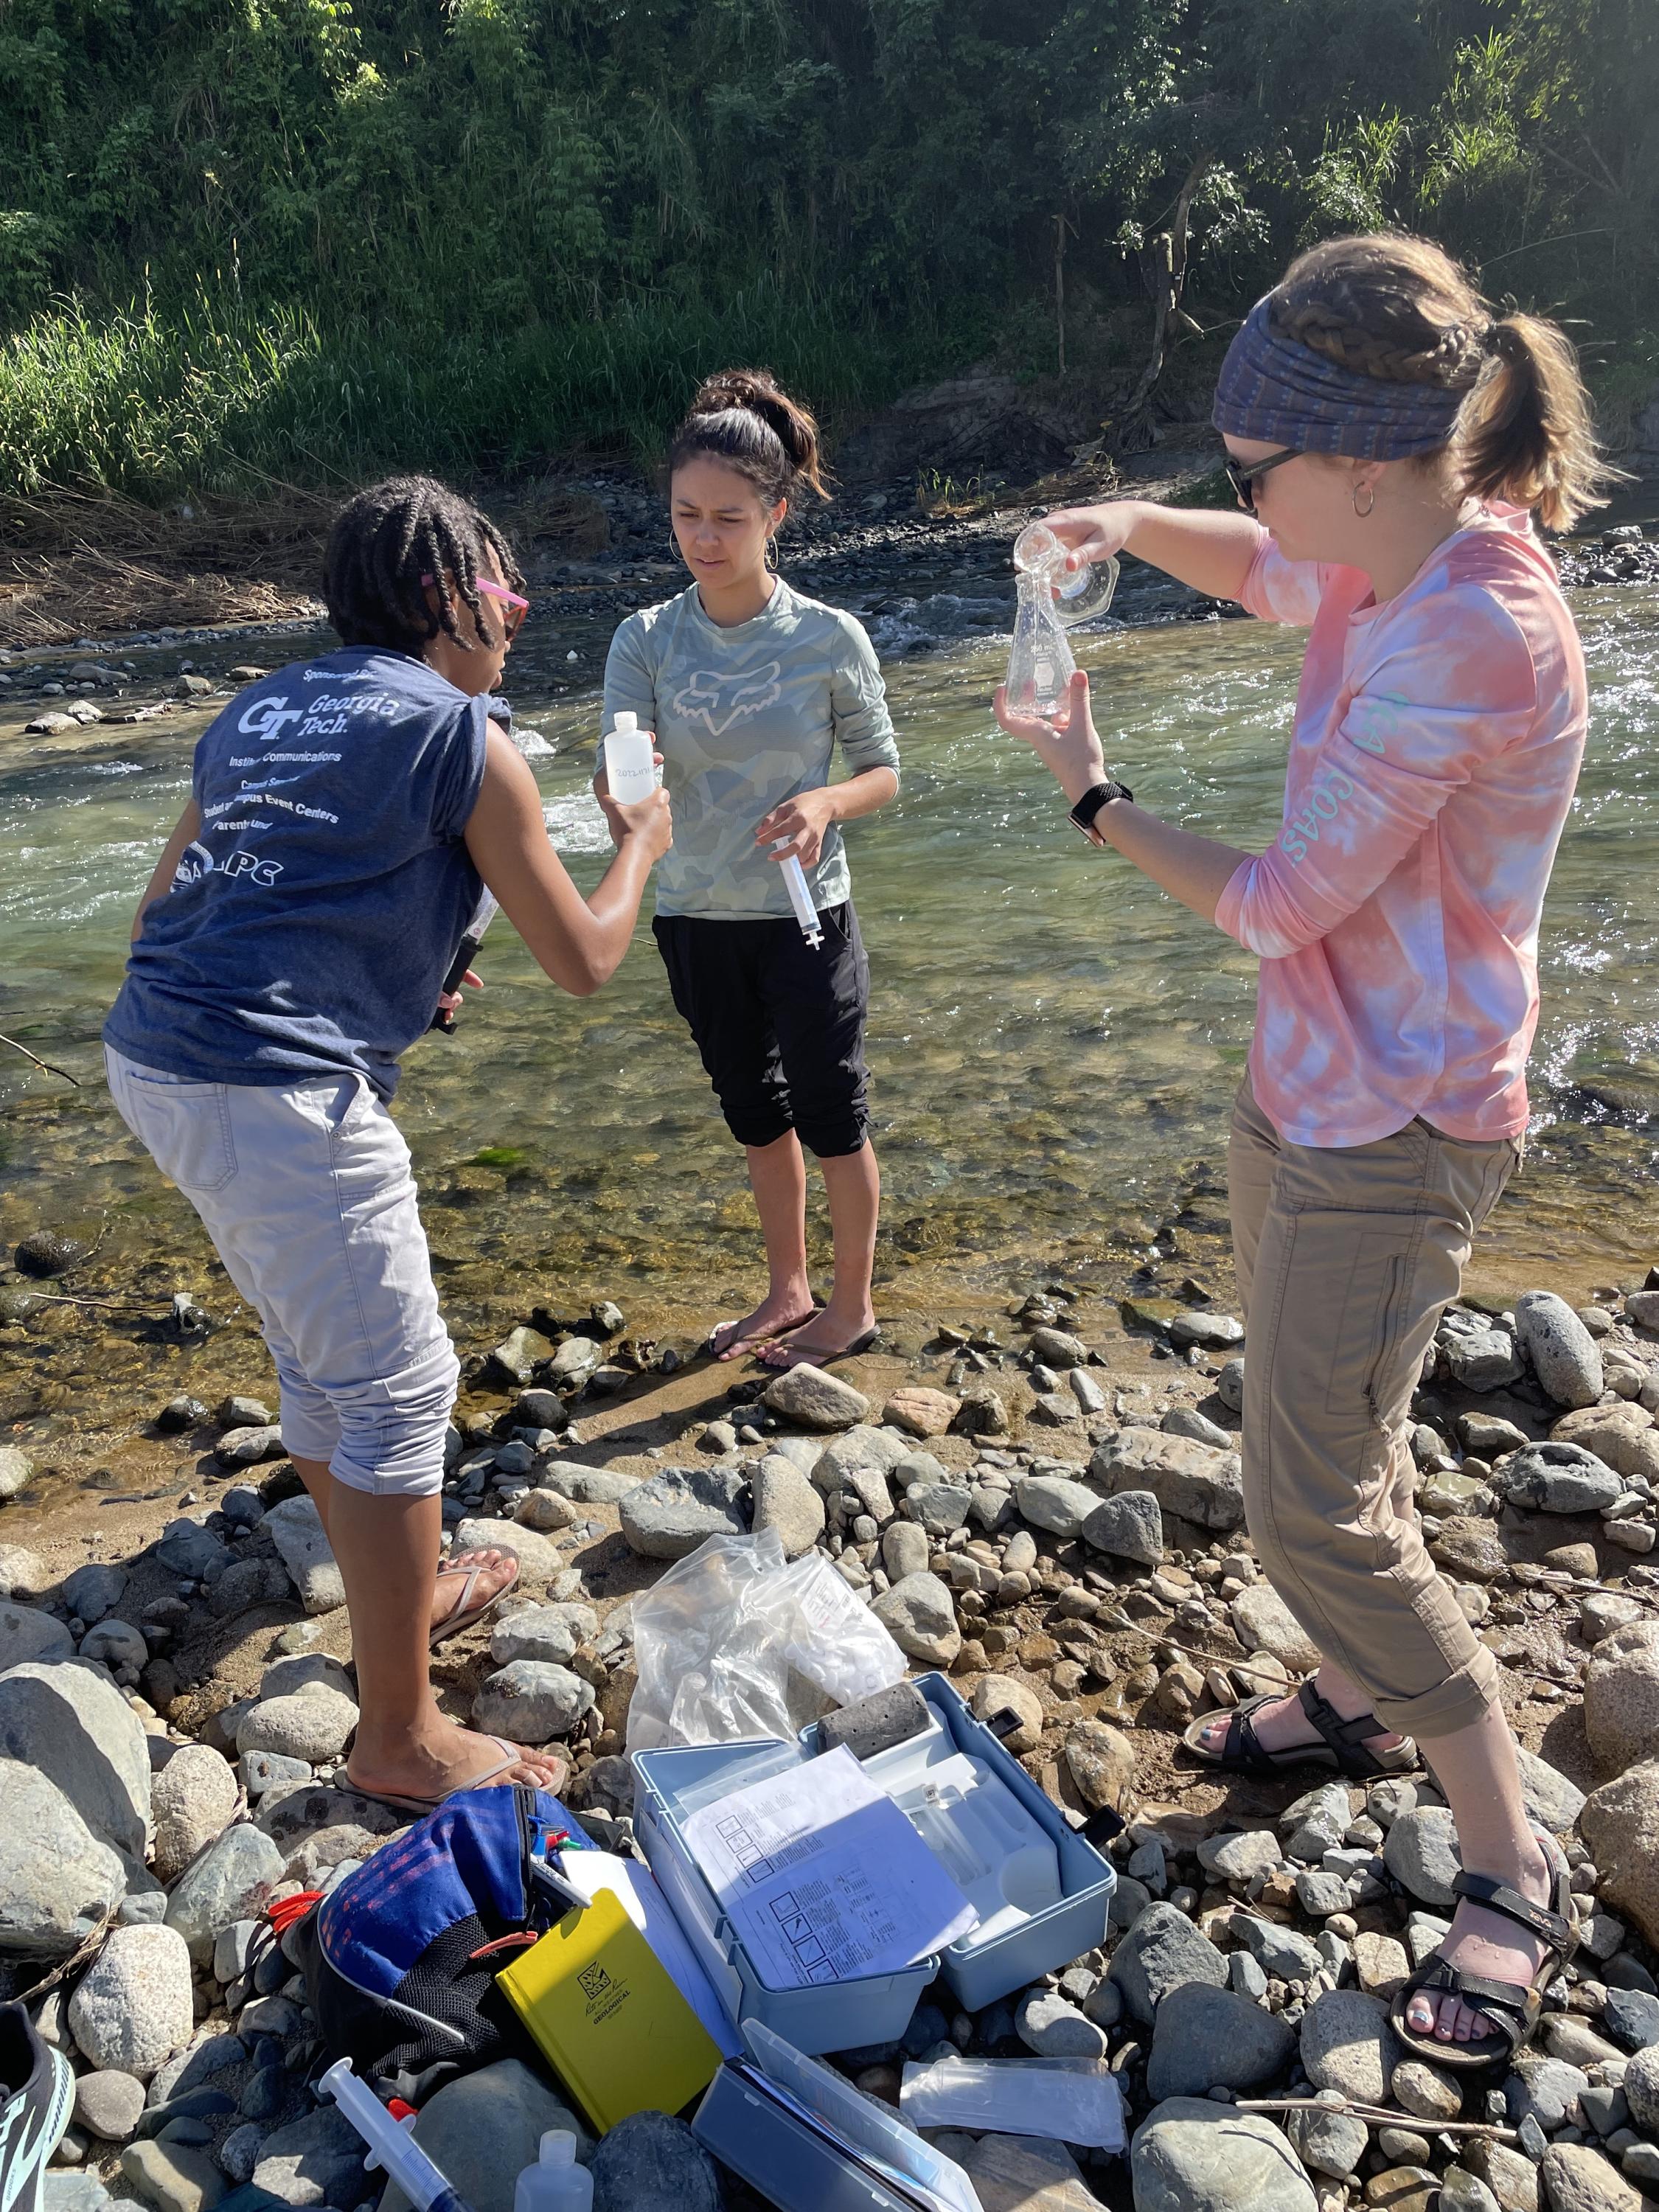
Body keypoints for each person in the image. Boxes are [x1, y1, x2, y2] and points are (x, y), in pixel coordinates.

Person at [995, 232, 1609, 2067]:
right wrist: (1122, 518)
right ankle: (1355, 1691)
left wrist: (1094, 793)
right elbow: (1269, 568)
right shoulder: (1382, 552)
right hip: (1316, 1089)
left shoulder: (1482, 632)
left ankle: (1506, 1854)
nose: (1244, 498)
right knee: (1321, 1413)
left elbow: (1276, 904)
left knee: (1306, 1498)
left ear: (1356, 458)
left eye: (1256, 461)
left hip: (1404, 1123)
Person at [103, 476, 672, 1812]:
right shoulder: (471, 740)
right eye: (506, 591)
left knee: (324, 1360)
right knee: (405, 1393)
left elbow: (162, 908)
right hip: (273, 1090)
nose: (519, 616)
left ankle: (397, 1602)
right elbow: (587, 960)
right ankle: (399, 1736)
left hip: (159, 1054)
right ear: (446, 599)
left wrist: (387, 968)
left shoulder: (260, 707)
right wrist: (640, 840)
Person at [599, 369, 901, 1368]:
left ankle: (850, 1307)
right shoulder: (643, 639)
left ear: (776, 513)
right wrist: (621, 807)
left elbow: (882, 773)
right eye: (686, 515)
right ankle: (787, 1289)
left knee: (830, 1109)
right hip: (692, 912)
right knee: (752, 1112)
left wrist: (823, 802)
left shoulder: (827, 638)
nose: (704, 537)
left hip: (805, 909)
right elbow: (625, 769)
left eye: (728, 517)